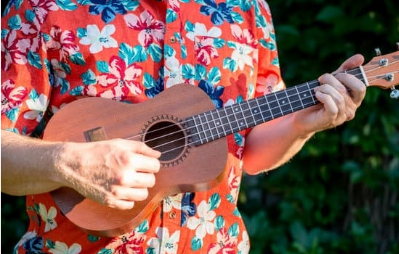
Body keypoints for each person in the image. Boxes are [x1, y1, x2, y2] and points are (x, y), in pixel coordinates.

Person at [1, 0, 366, 253]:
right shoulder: (43, 9)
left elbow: (250, 154)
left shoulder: (247, 10)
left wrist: (302, 125)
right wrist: (68, 162)